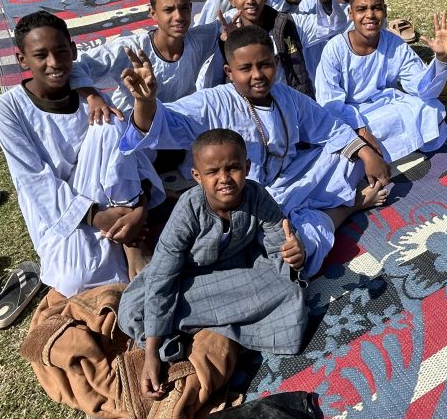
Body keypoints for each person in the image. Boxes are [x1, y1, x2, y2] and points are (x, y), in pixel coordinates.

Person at [119, 25, 391, 278]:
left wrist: (366, 154)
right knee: (287, 254)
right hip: (246, 199)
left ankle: (323, 209)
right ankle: (348, 207)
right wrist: (145, 102)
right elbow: (165, 123)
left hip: (291, 178)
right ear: (229, 72)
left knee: (354, 159)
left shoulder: (285, 95)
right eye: (245, 68)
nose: (257, 75)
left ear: (275, 63)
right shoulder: (214, 102)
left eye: (264, 65)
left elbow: (328, 126)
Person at [117, 129, 310, 399]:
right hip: (185, 282)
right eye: (213, 172)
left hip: (236, 277)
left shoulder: (258, 197)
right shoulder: (188, 210)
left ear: (247, 167)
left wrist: (294, 256)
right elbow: (163, 277)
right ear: (197, 177)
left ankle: (194, 329)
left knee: (291, 289)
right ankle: (215, 328)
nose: (224, 179)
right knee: (133, 309)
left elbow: (281, 253)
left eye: (233, 168)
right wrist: (150, 354)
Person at [0, 11, 164, 297]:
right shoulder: (8, 109)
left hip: (113, 198)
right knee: (75, 282)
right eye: (41, 55)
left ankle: (133, 245)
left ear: (72, 50)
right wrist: (97, 217)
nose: (55, 63)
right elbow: (35, 181)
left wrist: (140, 208)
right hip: (64, 212)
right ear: (23, 60)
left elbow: (127, 156)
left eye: (61, 52)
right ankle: (124, 234)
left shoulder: (91, 100)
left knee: (111, 124)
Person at [315, 0, 447, 160]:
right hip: (353, 116)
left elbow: (423, 89)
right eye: (361, 9)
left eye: (376, 8)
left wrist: (442, 58)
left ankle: (385, 151)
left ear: (384, 10)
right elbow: (329, 103)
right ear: (351, 13)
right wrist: (360, 129)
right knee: (351, 135)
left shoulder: (394, 43)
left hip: (387, 107)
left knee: (431, 108)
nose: (370, 15)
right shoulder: (335, 49)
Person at [68, 0, 223, 120]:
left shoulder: (198, 40)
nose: (179, 17)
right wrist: (93, 97)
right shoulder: (131, 50)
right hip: (131, 126)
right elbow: (74, 66)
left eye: (184, 8)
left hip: (176, 123)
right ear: (153, 13)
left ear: (190, 7)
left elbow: (228, 22)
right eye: (168, 10)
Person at [223, 0, 342, 97]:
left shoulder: (288, 25)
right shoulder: (224, 29)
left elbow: (334, 24)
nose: (250, 0)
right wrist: (228, 42)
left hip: (292, 106)